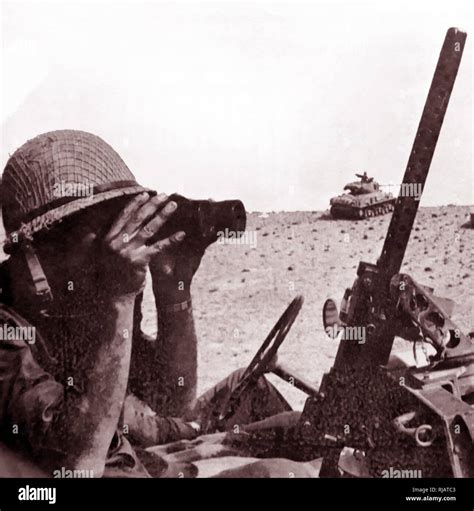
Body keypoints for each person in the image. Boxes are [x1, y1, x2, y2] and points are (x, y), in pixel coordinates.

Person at [0, 130, 310, 478]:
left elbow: (173, 399)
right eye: (100, 226)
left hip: (138, 453)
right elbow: (80, 460)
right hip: (98, 466)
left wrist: (173, 290)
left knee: (301, 426)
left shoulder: (82, 296)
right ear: (41, 247)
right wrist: (117, 298)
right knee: (280, 473)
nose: (118, 237)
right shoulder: (6, 326)